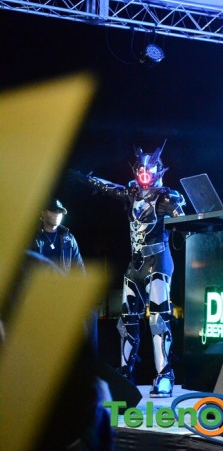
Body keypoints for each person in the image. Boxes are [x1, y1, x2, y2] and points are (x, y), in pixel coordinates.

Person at [73, 142, 186, 398]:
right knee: (126, 322)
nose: (144, 174)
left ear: (158, 170)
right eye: (141, 170)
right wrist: (85, 178)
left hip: (158, 262)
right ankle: (125, 374)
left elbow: (187, 221)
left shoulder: (167, 197)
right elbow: (110, 187)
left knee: (158, 320)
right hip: (135, 264)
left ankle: (164, 374)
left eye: (149, 169)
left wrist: (183, 219)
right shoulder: (132, 192)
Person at [33, 198, 86, 273]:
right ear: (43, 213)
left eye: (60, 212)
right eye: (53, 210)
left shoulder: (69, 239)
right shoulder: (32, 238)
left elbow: (79, 268)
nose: (57, 214)